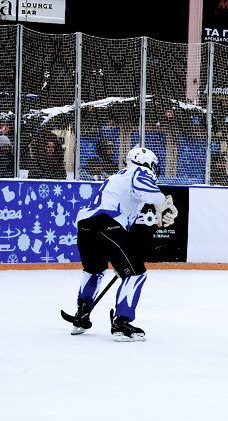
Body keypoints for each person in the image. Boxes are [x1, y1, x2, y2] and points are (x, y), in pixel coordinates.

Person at [65, 145, 176, 341]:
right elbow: (149, 192)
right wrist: (163, 203)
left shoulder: (117, 177)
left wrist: (160, 213)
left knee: (94, 270)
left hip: (85, 227)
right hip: (106, 224)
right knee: (136, 273)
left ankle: (82, 313)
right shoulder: (140, 171)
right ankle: (121, 322)